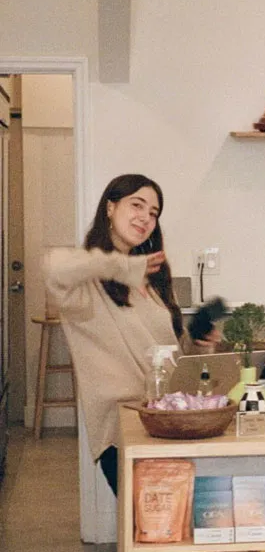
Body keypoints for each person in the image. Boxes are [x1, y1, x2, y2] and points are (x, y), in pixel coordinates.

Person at [42, 173, 214, 494]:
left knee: (176, 534)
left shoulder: (153, 278)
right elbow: (53, 266)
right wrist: (122, 267)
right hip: (121, 427)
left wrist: (197, 341)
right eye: (137, 205)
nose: (146, 218)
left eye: (153, 213)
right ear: (110, 207)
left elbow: (169, 353)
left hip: (167, 421)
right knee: (155, 531)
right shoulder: (86, 284)